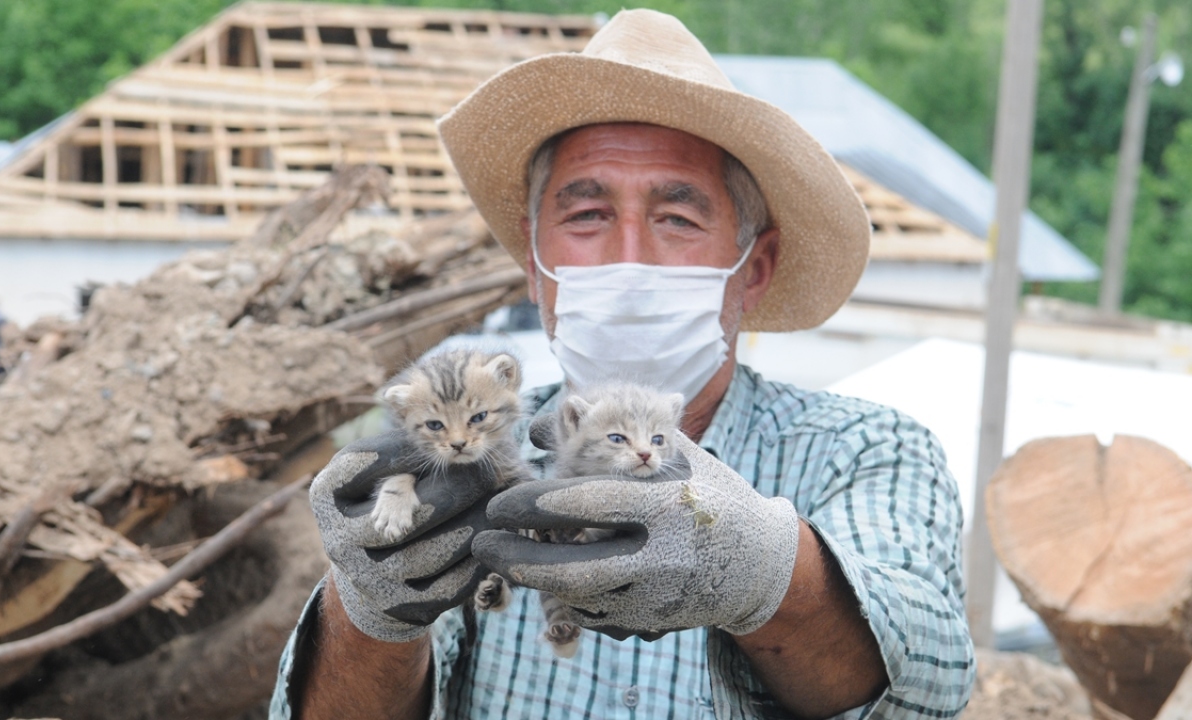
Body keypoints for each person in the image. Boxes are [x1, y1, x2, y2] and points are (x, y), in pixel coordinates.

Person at [271, 9, 974, 719]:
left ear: (754, 267)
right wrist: (370, 609)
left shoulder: (864, 452)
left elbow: (933, 683)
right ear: (535, 264)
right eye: (586, 216)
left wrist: (767, 573)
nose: (628, 255)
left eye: (677, 218)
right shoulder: (469, 462)